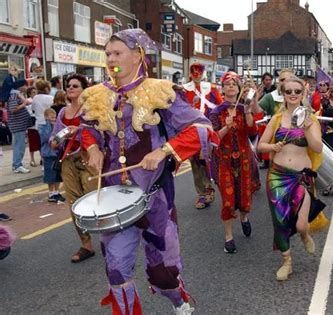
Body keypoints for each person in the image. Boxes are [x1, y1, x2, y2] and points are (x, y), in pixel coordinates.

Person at [82, 28, 218, 314]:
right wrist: (93, 149)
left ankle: (178, 300)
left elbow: (203, 128)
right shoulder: (97, 95)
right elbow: (88, 130)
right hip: (114, 199)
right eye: (107, 54)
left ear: (137, 56)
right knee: (116, 270)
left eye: (117, 53)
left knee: (163, 272)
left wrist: (164, 150)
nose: (110, 59)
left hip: (156, 200)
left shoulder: (160, 92)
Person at [258, 76, 325, 281]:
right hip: (277, 175)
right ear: (283, 94)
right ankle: (287, 261)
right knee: (279, 221)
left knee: (300, 225)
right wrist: (272, 147)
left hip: (301, 177)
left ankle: (304, 235)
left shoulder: (310, 119)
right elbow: (260, 145)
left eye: (297, 91)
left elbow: (318, 148)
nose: (293, 95)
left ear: (303, 94)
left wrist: (305, 127)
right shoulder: (276, 119)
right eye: (289, 92)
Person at [209, 72, 258, 254]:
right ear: (222, 89)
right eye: (227, 84)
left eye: (234, 84)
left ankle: (244, 218)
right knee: (228, 200)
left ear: (238, 89)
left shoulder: (243, 108)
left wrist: (247, 112)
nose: (230, 86)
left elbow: (253, 132)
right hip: (224, 160)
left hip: (244, 159)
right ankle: (229, 236)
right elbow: (213, 139)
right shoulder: (216, 112)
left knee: (245, 195)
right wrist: (225, 127)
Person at [51, 74, 97, 263]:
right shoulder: (63, 112)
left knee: (93, 199)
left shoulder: (91, 110)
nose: (70, 88)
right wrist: (54, 142)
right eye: (68, 86)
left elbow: (100, 133)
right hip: (68, 160)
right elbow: (54, 136)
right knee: (74, 204)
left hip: (88, 157)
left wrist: (79, 131)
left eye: (75, 85)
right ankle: (86, 245)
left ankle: (113, 239)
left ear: (83, 89)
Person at [183, 62, 223, 209]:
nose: (197, 74)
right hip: (192, 130)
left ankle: (221, 186)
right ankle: (204, 192)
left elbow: (220, 106)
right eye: (194, 71)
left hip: (209, 129)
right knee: (196, 162)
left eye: (199, 71)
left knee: (210, 160)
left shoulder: (211, 89)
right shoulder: (184, 90)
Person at [39, 108, 65, 203]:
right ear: (46, 117)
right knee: (50, 174)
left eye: (55, 117)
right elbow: (46, 137)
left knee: (57, 174)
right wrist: (51, 126)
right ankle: (51, 193)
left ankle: (56, 192)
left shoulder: (57, 125)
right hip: (48, 154)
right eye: (52, 117)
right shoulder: (43, 127)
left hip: (57, 153)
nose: (54, 119)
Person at [6, 83, 31, 174]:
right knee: (19, 146)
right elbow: (13, 109)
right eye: (25, 85)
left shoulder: (16, 94)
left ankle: (17, 164)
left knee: (19, 146)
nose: (26, 87)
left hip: (19, 125)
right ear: (20, 86)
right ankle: (17, 165)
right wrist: (24, 103)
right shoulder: (13, 96)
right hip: (17, 125)